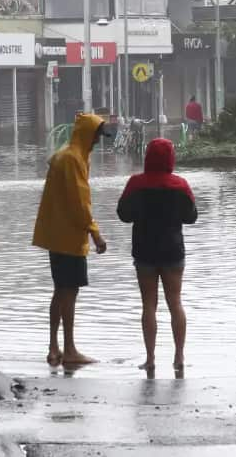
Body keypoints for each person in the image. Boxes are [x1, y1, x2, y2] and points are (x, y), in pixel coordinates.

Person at [117, 138, 197, 373]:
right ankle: (179, 356)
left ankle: (151, 358)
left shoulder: (135, 184)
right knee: (175, 302)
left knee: (148, 305)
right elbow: (191, 217)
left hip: (145, 252)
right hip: (173, 251)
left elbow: (123, 214)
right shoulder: (180, 185)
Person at [33, 113, 108, 366]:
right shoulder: (73, 159)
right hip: (69, 237)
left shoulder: (65, 155)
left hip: (57, 235)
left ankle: (54, 347)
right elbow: (80, 203)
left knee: (60, 291)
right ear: (89, 134)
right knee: (69, 292)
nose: (98, 141)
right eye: (97, 135)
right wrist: (95, 232)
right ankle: (69, 349)